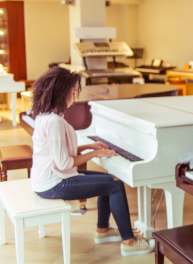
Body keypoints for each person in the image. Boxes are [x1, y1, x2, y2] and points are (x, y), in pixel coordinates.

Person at [30, 67, 155, 257]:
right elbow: (64, 163)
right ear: (60, 92)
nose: (74, 97)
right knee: (114, 185)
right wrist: (95, 155)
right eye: (72, 93)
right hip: (53, 183)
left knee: (108, 180)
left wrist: (88, 147)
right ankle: (129, 242)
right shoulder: (54, 121)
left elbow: (57, 153)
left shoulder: (45, 115)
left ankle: (103, 230)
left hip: (50, 177)